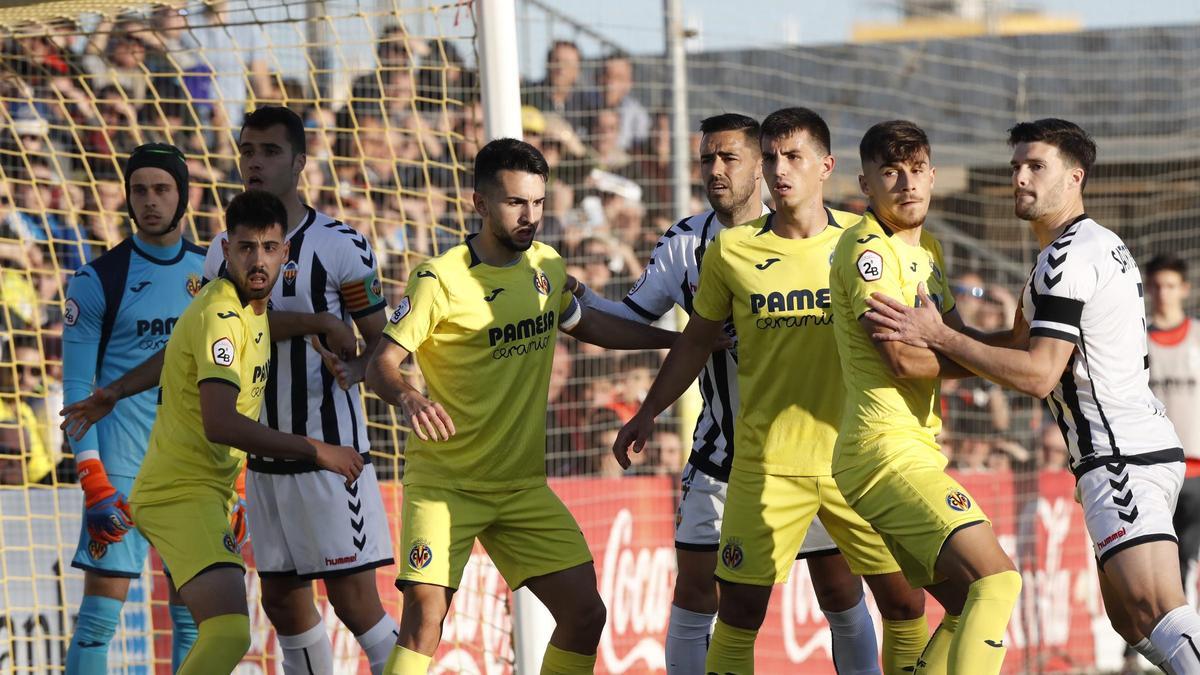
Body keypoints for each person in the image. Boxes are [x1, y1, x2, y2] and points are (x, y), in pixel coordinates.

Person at [867, 119, 1200, 674]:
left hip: (1121, 458)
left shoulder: (1067, 257)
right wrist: (935, 350)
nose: (1020, 178)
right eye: (1016, 166)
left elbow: (1039, 374)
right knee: (1131, 620)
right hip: (1137, 449)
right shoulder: (1088, 246)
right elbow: (1016, 344)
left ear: (1076, 176)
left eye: (1035, 166)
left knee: (1157, 609)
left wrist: (940, 336)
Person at [613, 108, 928, 675]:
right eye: (707, 157)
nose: (717, 168)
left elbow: (917, 338)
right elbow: (685, 338)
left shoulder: (862, 245)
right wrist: (644, 407)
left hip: (845, 457)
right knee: (715, 605)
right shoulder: (710, 249)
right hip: (741, 460)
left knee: (872, 597)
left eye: (730, 156)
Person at [365, 138, 679, 674]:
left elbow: (592, 325)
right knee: (425, 616)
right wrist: (408, 395)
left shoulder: (546, 267)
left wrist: (678, 341)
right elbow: (381, 364)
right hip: (446, 484)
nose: (530, 216)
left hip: (520, 487)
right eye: (515, 202)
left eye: (537, 202)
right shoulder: (439, 279)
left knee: (585, 614)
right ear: (479, 204)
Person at [74, 190, 363, 674]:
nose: (258, 260)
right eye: (246, 248)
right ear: (225, 249)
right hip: (178, 494)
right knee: (228, 632)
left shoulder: (237, 306)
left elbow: (208, 341)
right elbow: (221, 421)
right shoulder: (221, 315)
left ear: (284, 253)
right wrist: (318, 451)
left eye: (269, 248)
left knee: (216, 630)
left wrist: (319, 321)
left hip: (205, 492)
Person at [206, 106, 400, 674]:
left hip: (331, 456)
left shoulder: (341, 246)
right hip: (263, 458)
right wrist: (318, 322)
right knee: (284, 603)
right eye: (247, 151)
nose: (255, 163)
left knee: (355, 603)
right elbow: (234, 324)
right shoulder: (222, 250)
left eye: (269, 152)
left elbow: (380, 345)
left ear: (299, 163)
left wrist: (358, 368)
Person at [830, 120, 1021, 674]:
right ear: (866, 184)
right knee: (999, 579)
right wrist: (1000, 361)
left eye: (916, 171)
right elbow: (907, 360)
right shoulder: (867, 251)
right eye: (890, 172)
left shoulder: (930, 249)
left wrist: (1013, 344)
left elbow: (956, 341)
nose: (906, 184)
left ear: (933, 176)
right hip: (882, 454)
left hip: (909, 451)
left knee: (964, 605)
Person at [61, 143, 206, 674]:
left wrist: (234, 483)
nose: (149, 201)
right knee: (99, 622)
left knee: (194, 620)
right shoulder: (98, 279)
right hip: (122, 471)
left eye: (162, 189)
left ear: (183, 194)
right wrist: (93, 480)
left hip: (192, 471)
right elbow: (77, 390)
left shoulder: (212, 275)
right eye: (139, 189)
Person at [1146, 255, 1200, 610]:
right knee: (1157, 562)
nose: (1164, 293)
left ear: (1184, 289)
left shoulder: (1197, 336)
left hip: (1196, 469)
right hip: (1154, 469)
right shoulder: (1137, 339)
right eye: (1157, 285)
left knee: (1191, 558)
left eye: (1170, 285)